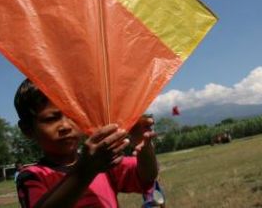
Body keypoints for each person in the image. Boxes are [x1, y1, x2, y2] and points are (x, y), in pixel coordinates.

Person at [14, 79, 158, 208]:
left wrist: (144, 146)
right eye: (51, 118)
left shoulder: (103, 162)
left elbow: (147, 176)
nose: (66, 126)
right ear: (27, 129)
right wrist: (87, 169)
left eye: (73, 115)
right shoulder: (32, 176)